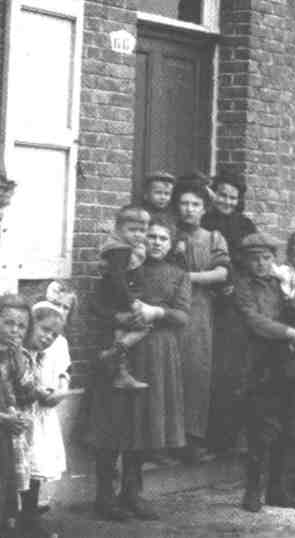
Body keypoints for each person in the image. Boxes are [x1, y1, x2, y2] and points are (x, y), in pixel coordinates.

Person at [89, 217, 191, 521]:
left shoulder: (178, 274)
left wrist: (157, 311)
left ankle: (132, 493)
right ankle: (105, 497)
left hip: (157, 355)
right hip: (121, 352)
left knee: (143, 424)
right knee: (113, 422)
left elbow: (183, 315)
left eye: (163, 238)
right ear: (141, 239)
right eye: (151, 236)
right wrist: (119, 318)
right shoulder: (126, 264)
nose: (156, 242)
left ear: (171, 244)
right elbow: (97, 305)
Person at [233, 232, 295, 512]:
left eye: (267, 258)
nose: (261, 264)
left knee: (289, 427)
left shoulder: (278, 285)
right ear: (246, 261)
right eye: (255, 259)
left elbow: (287, 312)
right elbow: (254, 321)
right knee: (261, 430)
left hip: (285, 364)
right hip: (258, 366)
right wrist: (290, 332)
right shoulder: (242, 287)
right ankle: (253, 491)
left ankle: (278, 490)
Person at [171, 175, 231, 462]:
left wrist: (187, 278)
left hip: (200, 311)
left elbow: (222, 273)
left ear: (204, 208)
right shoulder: (167, 235)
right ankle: (167, 440)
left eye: (195, 204)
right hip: (171, 310)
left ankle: (192, 440)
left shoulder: (213, 238)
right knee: (171, 372)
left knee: (197, 372)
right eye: (183, 203)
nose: (189, 209)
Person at [201, 174, 258, 453]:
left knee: (231, 370)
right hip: (208, 299)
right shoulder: (205, 221)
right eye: (222, 195)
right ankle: (203, 437)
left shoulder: (245, 225)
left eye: (233, 197)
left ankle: (226, 439)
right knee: (208, 368)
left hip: (235, 302)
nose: (227, 201)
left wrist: (235, 286)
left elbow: (251, 261)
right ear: (214, 195)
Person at [18, 302, 74, 532]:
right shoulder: (19, 351)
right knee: (18, 465)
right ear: (32, 325)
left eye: (54, 334)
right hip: (21, 414)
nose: (49, 337)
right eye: (44, 330)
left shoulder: (49, 350)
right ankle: (17, 514)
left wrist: (60, 390)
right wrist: (37, 392)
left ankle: (29, 514)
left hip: (40, 416)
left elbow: (64, 371)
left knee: (35, 466)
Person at [98, 205, 156, 391]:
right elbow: (117, 278)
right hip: (118, 298)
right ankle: (114, 353)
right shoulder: (119, 250)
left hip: (118, 296)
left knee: (121, 331)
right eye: (132, 230)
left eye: (142, 230)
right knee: (143, 324)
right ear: (119, 229)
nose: (138, 235)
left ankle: (121, 373)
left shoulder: (124, 246)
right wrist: (130, 301)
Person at [0, 295, 45, 533]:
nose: (15, 330)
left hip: (8, 438)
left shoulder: (18, 355)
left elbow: (28, 394)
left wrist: (18, 359)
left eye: (21, 325)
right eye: (8, 322)